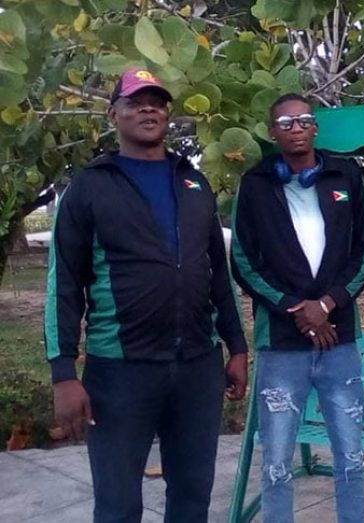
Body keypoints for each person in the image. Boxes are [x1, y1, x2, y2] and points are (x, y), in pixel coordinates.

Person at [44, 68, 248, 523]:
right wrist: (63, 373)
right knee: (118, 506)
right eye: (135, 102)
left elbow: (217, 273)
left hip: (197, 367)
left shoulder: (193, 183)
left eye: (156, 101)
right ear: (113, 113)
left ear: (168, 113)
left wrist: (236, 346)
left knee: (193, 499)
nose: (148, 109)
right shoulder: (90, 187)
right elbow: (63, 286)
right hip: (120, 372)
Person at [230, 93, 364, 523]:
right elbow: (242, 259)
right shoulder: (255, 185)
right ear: (272, 132)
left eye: (304, 120)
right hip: (280, 345)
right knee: (276, 463)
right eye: (286, 122)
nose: (296, 128)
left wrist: (327, 303)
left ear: (315, 128)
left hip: (339, 340)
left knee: (351, 457)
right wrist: (298, 309)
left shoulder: (346, 176)